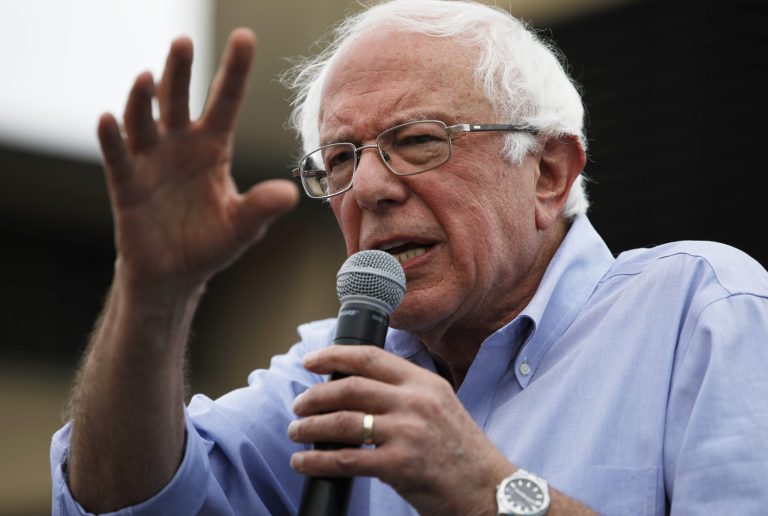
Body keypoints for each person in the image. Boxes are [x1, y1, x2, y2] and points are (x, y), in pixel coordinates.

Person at [51, 0, 768, 514]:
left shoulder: (701, 311)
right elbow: (124, 499)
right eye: (338, 159)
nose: (367, 187)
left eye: (419, 139)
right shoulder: (335, 367)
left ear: (548, 172)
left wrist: (488, 493)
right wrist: (150, 294)